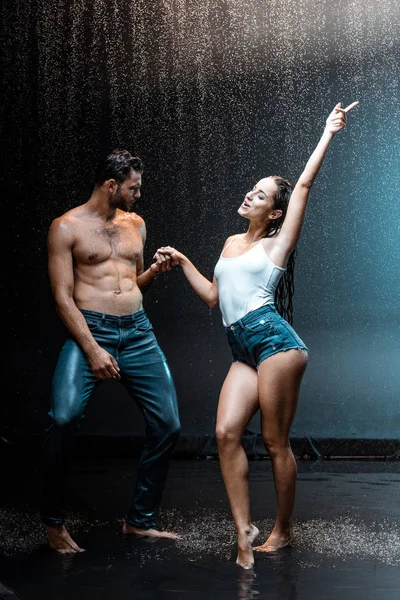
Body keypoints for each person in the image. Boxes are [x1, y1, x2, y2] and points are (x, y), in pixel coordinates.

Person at [156, 102, 359, 568]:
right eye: (252, 189)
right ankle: (243, 529)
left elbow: (304, 184)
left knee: (273, 442)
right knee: (226, 432)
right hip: (241, 348)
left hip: (275, 345)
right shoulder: (230, 244)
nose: (250, 196)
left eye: (261, 195)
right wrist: (183, 261)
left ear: (274, 213)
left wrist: (328, 130)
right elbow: (214, 297)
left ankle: (282, 531)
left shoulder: (277, 243)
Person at [41, 149, 181, 554]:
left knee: (168, 424)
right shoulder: (65, 227)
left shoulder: (135, 223)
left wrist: (153, 271)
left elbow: (132, 283)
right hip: (91, 331)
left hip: (138, 332)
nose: (139, 194)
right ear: (111, 186)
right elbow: (63, 298)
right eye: (133, 188)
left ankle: (140, 521)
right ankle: (52, 521)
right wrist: (93, 350)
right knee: (64, 419)